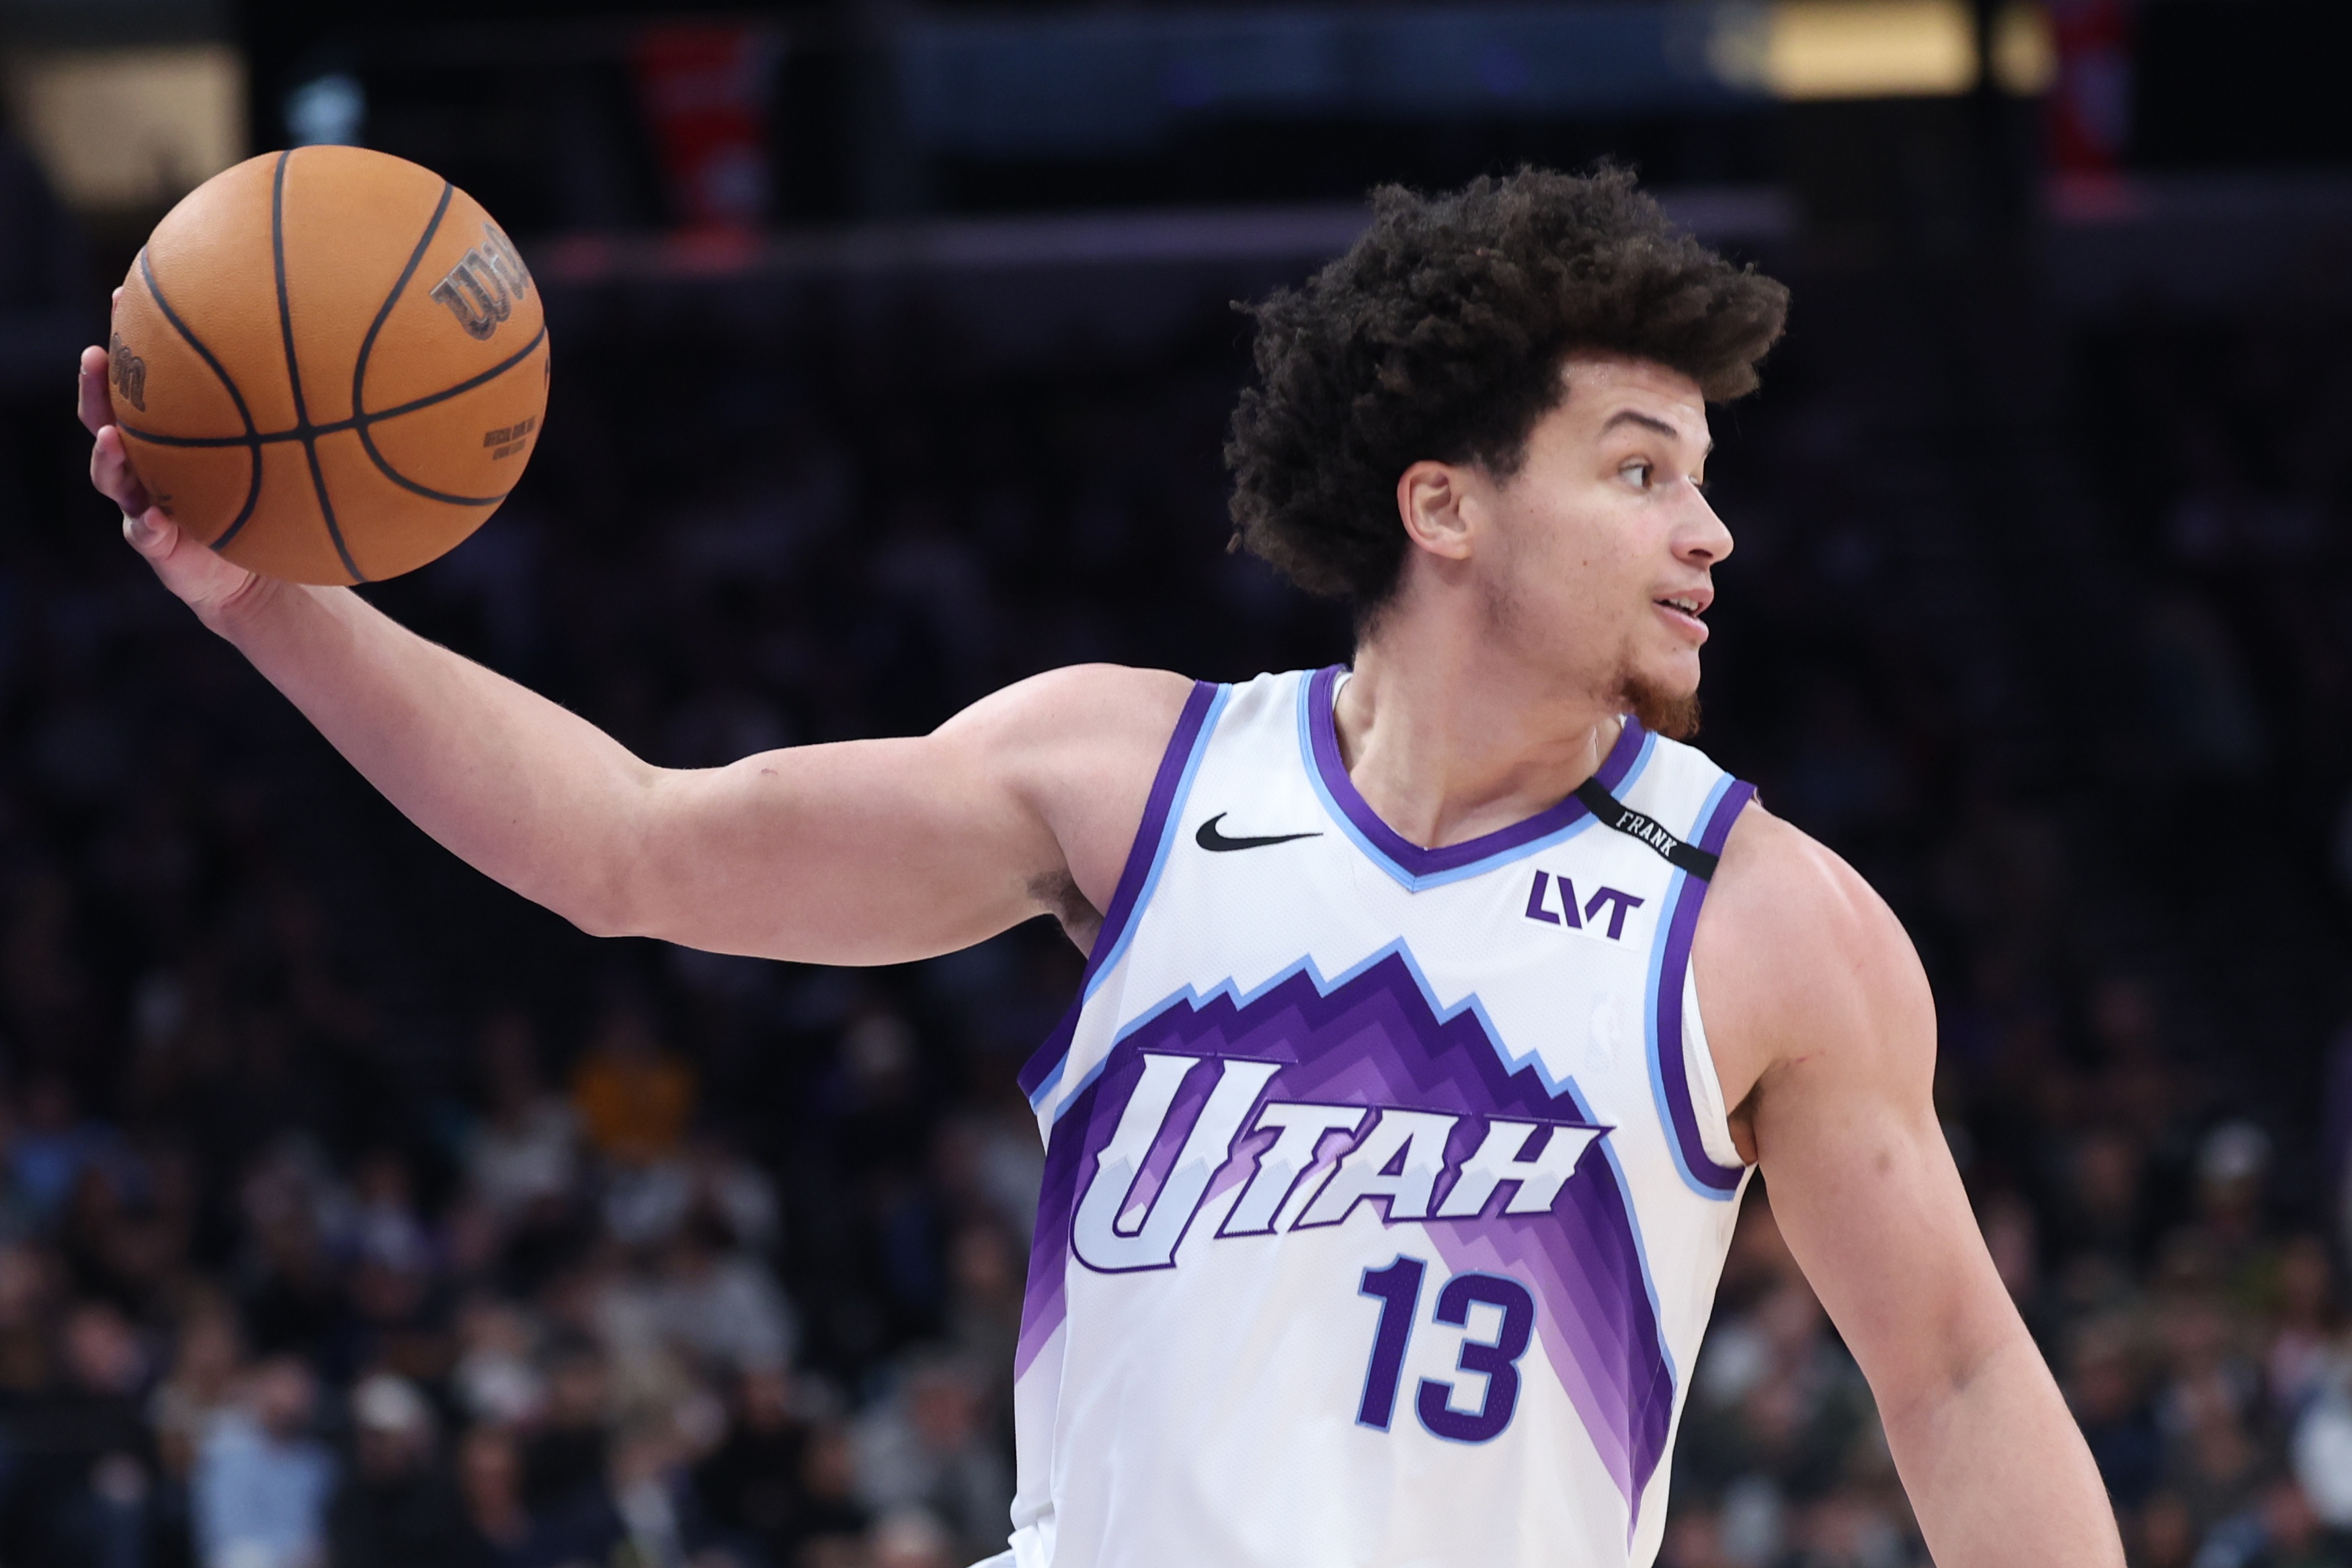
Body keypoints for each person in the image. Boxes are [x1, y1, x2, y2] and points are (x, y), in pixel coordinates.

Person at [78, 167, 2123, 1566]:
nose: (1710, 532)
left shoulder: (1764, 919)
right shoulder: (1128, 777)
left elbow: (1954, 1374)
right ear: (1446, 508)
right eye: (1640, 470)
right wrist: (270, 606)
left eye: (1705, 478)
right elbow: (632, 846)